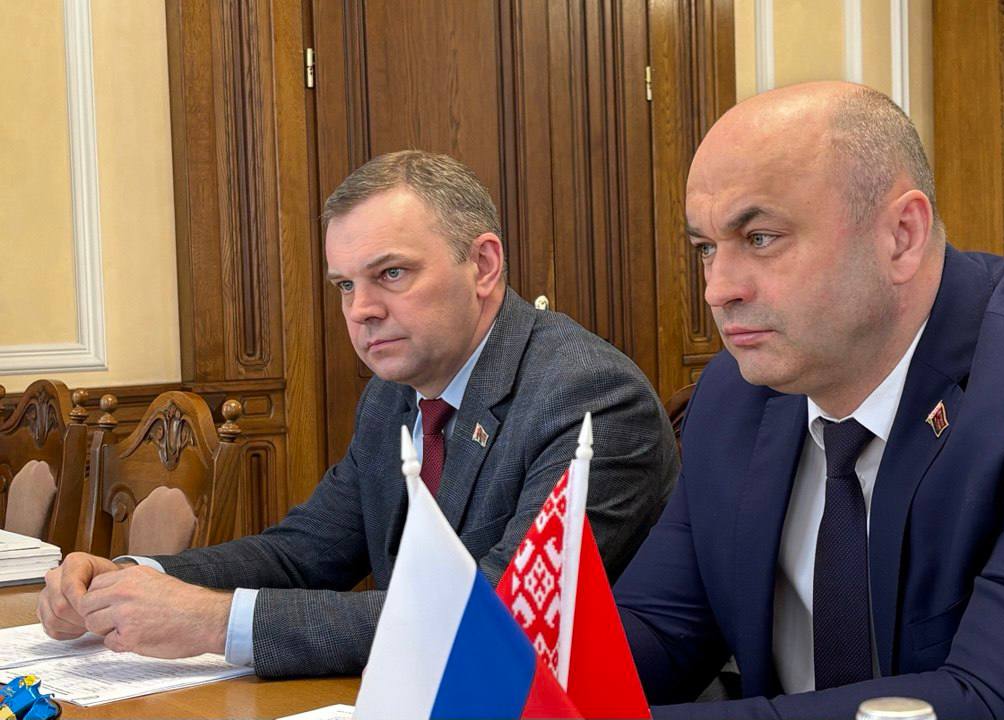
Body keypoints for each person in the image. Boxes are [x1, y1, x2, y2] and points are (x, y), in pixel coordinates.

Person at [612, 82, 1004, 719]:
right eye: (706, 248)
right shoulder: (738, 395)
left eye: (760, 238)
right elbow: (662, 627)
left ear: (901, 235)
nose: (718, 289)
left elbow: (996, 703)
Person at [38, 150, 679, 677]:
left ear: (483, 265)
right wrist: (130, 579)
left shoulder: (586, 396)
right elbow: (306, 553)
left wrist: (213, 622)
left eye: (391, 274)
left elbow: (497, 616)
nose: (361, 309)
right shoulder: (393, 395)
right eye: (345, 284)